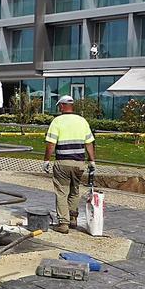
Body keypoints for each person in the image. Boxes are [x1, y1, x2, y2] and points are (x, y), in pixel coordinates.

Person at [43, 95, 96, 234]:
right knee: (75, 190)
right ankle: (73, 219)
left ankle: (63, 223)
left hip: (63, 163)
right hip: (79, 163)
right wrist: (92, 161)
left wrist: (46, 160)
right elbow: (89, 143)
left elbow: (51, 145)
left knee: (62, 192)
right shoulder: (82, 121)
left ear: (61, 106)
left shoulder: (57, 121)